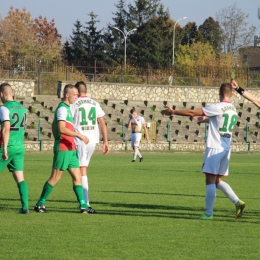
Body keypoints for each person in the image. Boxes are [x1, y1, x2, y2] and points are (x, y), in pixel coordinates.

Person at [161, 83, 245, 220]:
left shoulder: (217, 106)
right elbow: (220, 120)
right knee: (217, 180)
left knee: (209, 179)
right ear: (232, 94)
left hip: (215, 147)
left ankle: (208, 213)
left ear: (219, 93)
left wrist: (174, 112)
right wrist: (205, 120)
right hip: (226, 148)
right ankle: (237, 202)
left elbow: (192, 112)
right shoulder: (233, 109)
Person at [34, 84, 90, 213]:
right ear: (67, 95)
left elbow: (54, 124)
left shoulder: (68, 108)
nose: (77, 97)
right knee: (55, 177)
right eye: (75, 94)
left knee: (77, 177)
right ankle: (40, 204)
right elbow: (61, 128)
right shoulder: (62, 109)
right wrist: (78, 135)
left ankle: (83, 205)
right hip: (64, 148)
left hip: (71, 148)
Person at [70, 81, 109, 213]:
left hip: (80, 140)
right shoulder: (95, 103)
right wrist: (106, 142)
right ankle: (84, 202)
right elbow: (102, 124)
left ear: (77, 91)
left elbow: (68, 121)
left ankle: (85, 203)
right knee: (82, 169)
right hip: (93, 140)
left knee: (81, 171)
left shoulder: (74, 103)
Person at [0, 83, 29, 214]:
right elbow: (24, 128)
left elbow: (6, 129)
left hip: (8, 146)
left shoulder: (4, 108)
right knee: (20, 177)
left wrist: (5, 149)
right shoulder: (23, 108)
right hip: (19, 147)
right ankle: (25, 208)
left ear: (1, 94)